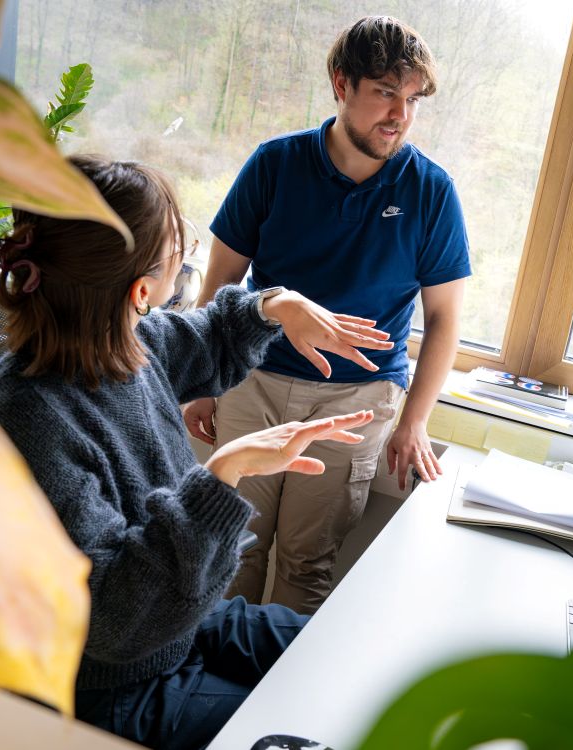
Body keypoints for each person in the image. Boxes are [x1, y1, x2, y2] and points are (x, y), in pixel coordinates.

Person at [0, 154, 391, 750]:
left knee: (346, 656)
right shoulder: (28, 424)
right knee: (307, 724)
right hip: (103, 683)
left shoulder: (123, 343)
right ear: (142, 290)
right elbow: (112, 619)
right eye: (181, 248)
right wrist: (222, 475)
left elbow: (210, 336)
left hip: (179, 630)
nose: (189, 256)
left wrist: (273, 305)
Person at [182, 15, 472, 614]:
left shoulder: (431, 192)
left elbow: (443, 319)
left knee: (306, 564)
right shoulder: (274, 164)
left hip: (356, 400)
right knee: (232, 549)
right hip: (253, 381)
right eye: (385, 93)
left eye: (412, 99)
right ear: (342, 84)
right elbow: (221, 280)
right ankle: (208, 702)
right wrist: (203, 381)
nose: (400, 116)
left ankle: (273, 701)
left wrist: (413, 419)